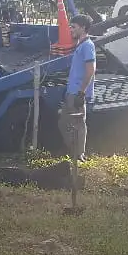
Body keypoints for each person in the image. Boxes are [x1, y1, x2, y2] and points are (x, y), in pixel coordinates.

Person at [57, 14, 96, 163]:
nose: (71, 30)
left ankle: (79, 155)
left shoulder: (88, 46)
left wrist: (81, 92)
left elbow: (90, 70)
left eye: (73, 27)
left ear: (83, 28)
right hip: (72, 91)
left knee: (79, 123)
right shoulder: (80, 44)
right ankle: (74, 151)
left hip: (77, 93)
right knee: (63, 123)